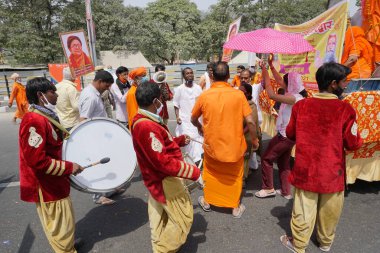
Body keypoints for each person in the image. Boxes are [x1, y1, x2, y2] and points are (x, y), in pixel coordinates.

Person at [280, 62, 363, 253]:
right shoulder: (346, 110)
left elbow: (290, 133)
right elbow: (353, 143)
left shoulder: (302, 106)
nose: (346, 85)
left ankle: (299, 244)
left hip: (305, 170)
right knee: (330, 211)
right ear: (333, 84)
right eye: (344, 81)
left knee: (303, 209)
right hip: (332, 172)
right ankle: (325, 243)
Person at [131, 81, 203, 253]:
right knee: (182, 219)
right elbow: (161, 161)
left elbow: (156, 146)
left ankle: (159, 246)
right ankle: (164, 250)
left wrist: (177, 141)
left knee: (159, 217)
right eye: (161, 100)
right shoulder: (146, 125)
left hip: (155, 179)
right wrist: (194, 171)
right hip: (163, 180)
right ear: (155, 101)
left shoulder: (143, 119)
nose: (162, 103)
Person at [19, 77, 84, 253]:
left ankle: (67, 244)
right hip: (46, 185)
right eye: (52, 92)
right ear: (41, 95)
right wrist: (69, 167)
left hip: (54, 181)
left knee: (65, 220)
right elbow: (36, 160)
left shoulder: (44, 116)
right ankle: (65, 249)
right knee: (58, 223)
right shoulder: (34, 121)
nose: (56, 95)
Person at [191, 62, 259, 218]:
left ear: (212, 76)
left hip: (212, 147)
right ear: (229, 76)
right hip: (234, 148)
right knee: (235, 176)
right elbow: (250, 121)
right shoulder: (238, 95)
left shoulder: (205, 95)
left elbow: (193, 118)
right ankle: (235, 207)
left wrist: (199, 128)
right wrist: (254, 140)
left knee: (211, 173)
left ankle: (208, 201)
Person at [255, 56, 307, 200]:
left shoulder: (294, 98)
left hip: (285, 136)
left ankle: (268, 188)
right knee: (284, 163)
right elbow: (278, 81)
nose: (281, 83)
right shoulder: (294, 93)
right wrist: (271, 66)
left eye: (285, 82)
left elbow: (271, 94)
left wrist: (264, 69)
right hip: (289, 136)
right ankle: (286, 191)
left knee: (266, 158)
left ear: (290, 83)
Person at [78, 70, 121, 205]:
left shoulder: (93, 93)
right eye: (107, 86)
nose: (107, 89)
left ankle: (107, 190)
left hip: (99, 136)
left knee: (104, 163)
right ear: (100, 81)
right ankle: (97, 196)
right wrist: (91, 141)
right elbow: (83, 119)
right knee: (97, 166)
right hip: (93, 138)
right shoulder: (91, 97)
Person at [174, 67, 203, 164]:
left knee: (199, 141)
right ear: (183, 76)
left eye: (191, 73)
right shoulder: (179, 89)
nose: (190, 75)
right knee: (189, 142)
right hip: (185, 121)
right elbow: (176, 104)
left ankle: (199, 162)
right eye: (187, 73)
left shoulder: (198, 88)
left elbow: (201, 103)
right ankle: (192, 163)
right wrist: (177, 117)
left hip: (197, 120)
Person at [238, 82, 260, 187]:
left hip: (246, 136)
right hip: (238, 136)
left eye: (241, 91)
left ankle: (242, 179)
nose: (239, 93)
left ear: (248, 94)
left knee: (245, 158)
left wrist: (240, 133)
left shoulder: (251, 105)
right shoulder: (238, 103)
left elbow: (251, 123)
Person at [55, 67, 80, 131]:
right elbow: (76, 107)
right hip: (73, 123)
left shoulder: (56, 86)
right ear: (72, 76)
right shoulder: (71, 88)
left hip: (61, 123)